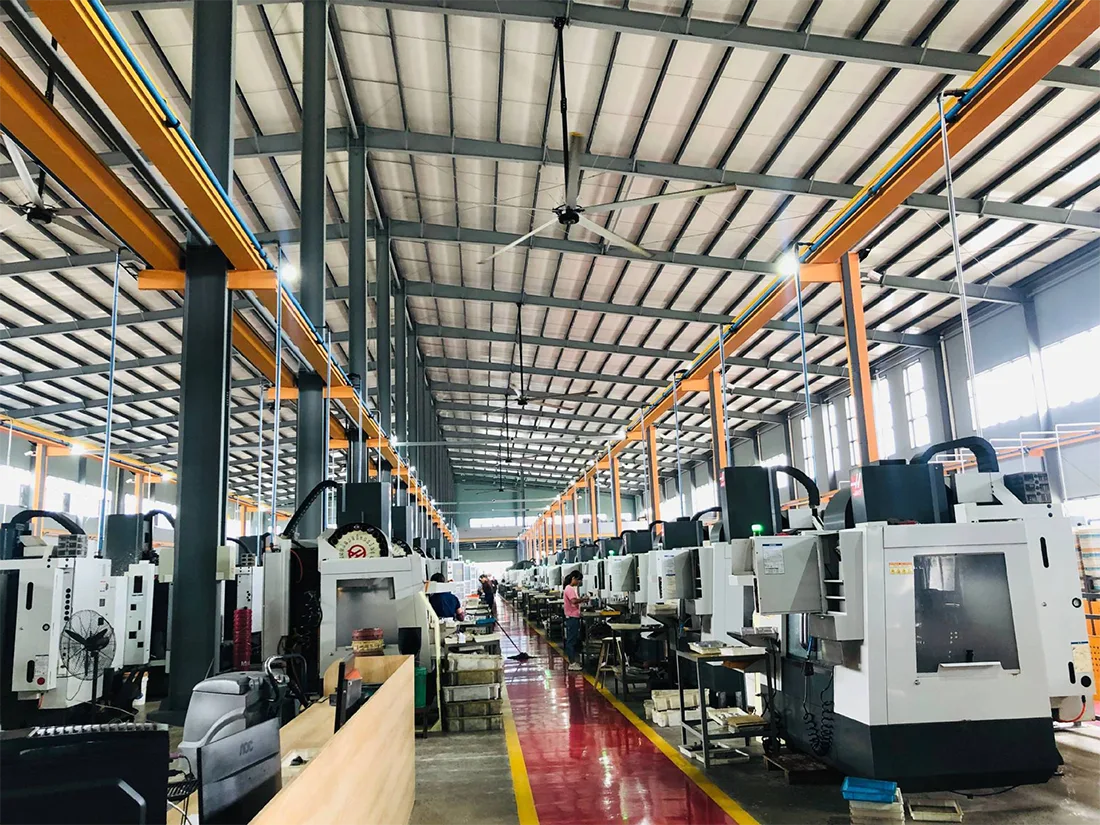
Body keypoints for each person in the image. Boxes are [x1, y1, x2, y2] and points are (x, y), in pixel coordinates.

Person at [563, 570, 588, 672]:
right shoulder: (569, 589)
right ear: (573, 578)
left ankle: (573, 661)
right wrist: (584, 599)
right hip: (572, 618)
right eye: (578, 580)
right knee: (571, 641)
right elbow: (573, 601)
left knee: (572, 640)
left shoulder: (570, 588)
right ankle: (572, 663)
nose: (579, 582)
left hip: (574, 617)